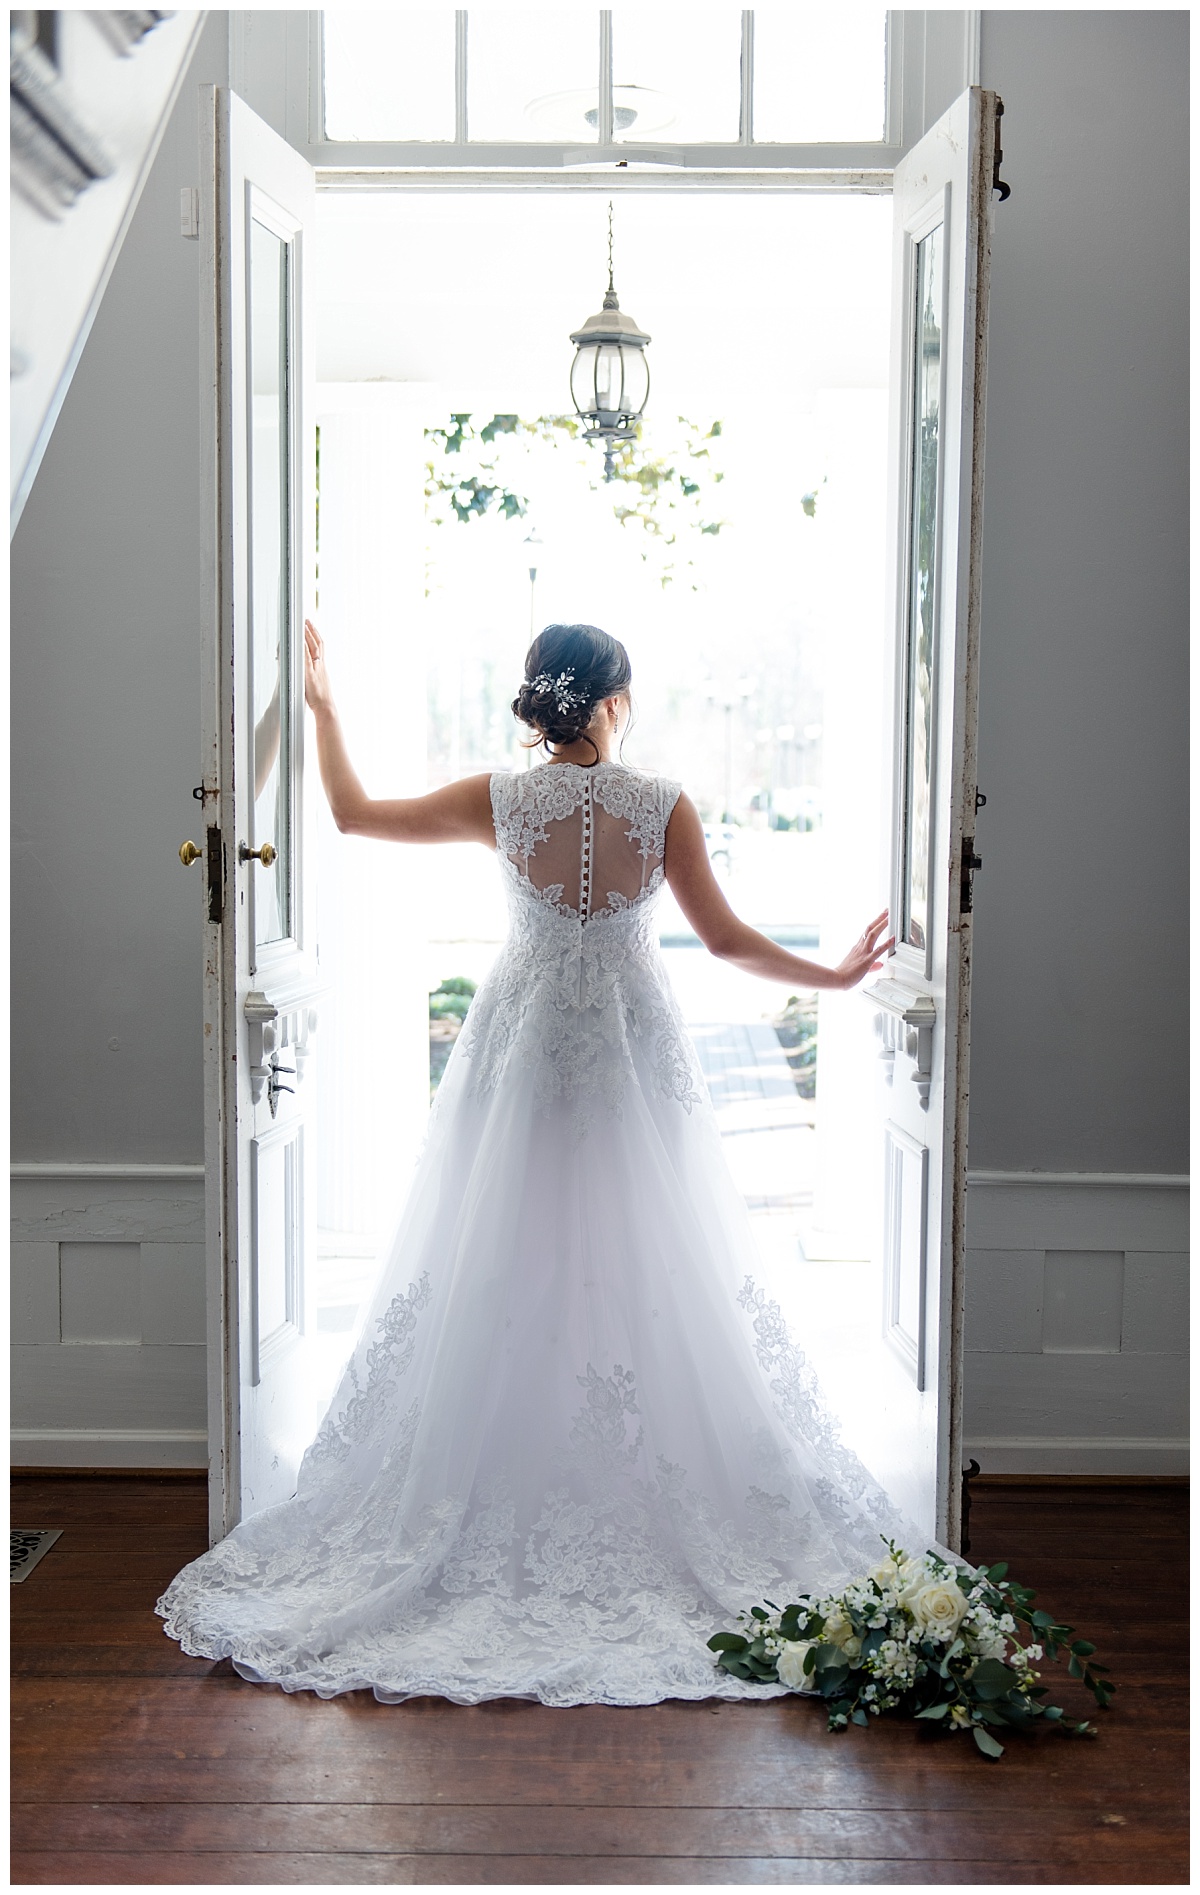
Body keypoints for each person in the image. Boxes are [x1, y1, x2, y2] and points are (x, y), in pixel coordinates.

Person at [158, 620, 907, 1707]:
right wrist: (833, 978)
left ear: (542, 701)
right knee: (643, 1258)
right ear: (618, 698)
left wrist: (323, 709)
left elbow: (353, 814)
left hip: (520, 1054)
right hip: (629, 1057)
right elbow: (727, 940)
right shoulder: (662, 804)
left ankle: (503, 1470)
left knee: (507, 1253)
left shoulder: (502, 800)